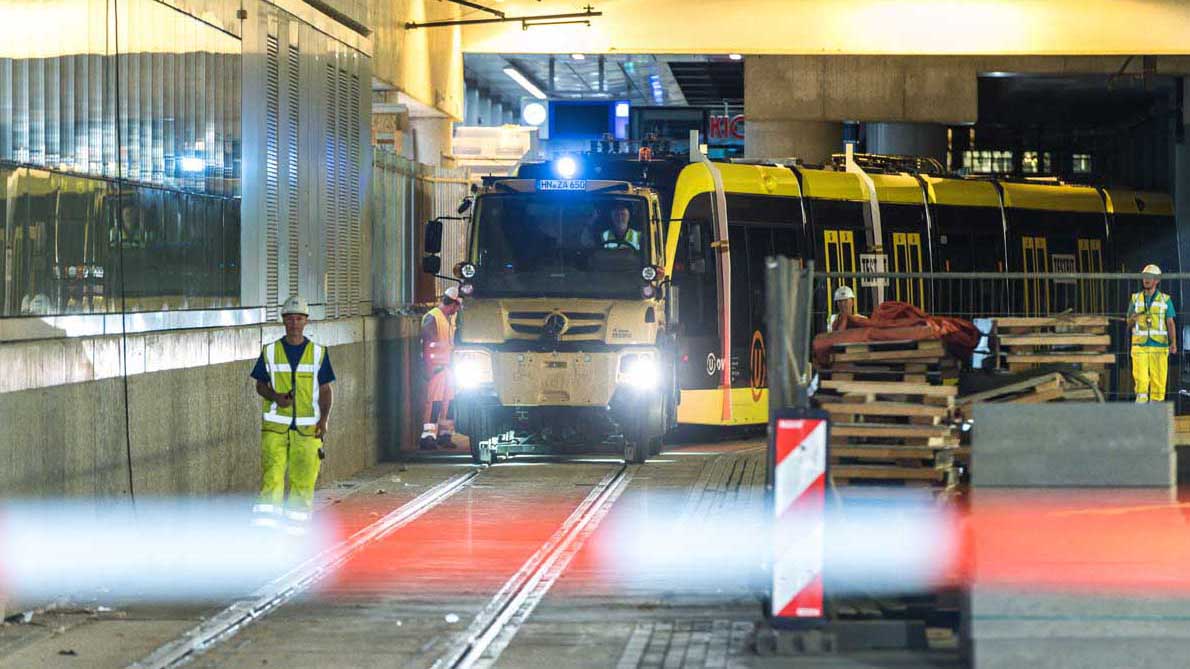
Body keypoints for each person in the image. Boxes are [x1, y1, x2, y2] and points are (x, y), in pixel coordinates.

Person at [249, 295, 335, 532]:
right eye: (290, 318)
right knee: (272, 480)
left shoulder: (318, 353)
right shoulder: (271, 351)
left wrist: (324, 421)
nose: (294, 323)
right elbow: (260, 384)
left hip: (308, 431)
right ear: (283, 321)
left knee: (303, 483)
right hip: (275, 429)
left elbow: (326, 390)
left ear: (306, 321)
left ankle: (295, 533)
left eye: (299, 318)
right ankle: (265, 532)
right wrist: (276, 397)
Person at [1127, 264, 1177, 403]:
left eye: (1150, 277)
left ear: (1157, 280)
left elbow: (1170, 322)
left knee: (1158, 384)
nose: (1146, 280)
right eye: (1145, 277)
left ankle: (1156, 415)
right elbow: (1128, 323)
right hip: (1140, 347)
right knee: (1141, 382)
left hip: (1159, 346)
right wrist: (1132, 319)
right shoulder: (1135, 299)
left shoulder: (1165, 300)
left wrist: (1173, 343)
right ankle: (1142, 416)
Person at [421, 286, 463, 449]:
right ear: (452, 304)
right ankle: (427, 437)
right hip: (436, 368)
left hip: (448, 368)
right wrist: (431, 368)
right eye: (457, 306)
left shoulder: (450, 318)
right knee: (435, 402)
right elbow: (428, 345)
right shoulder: (432, 317)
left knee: (449, 402)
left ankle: (445, 435)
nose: (457, 310)